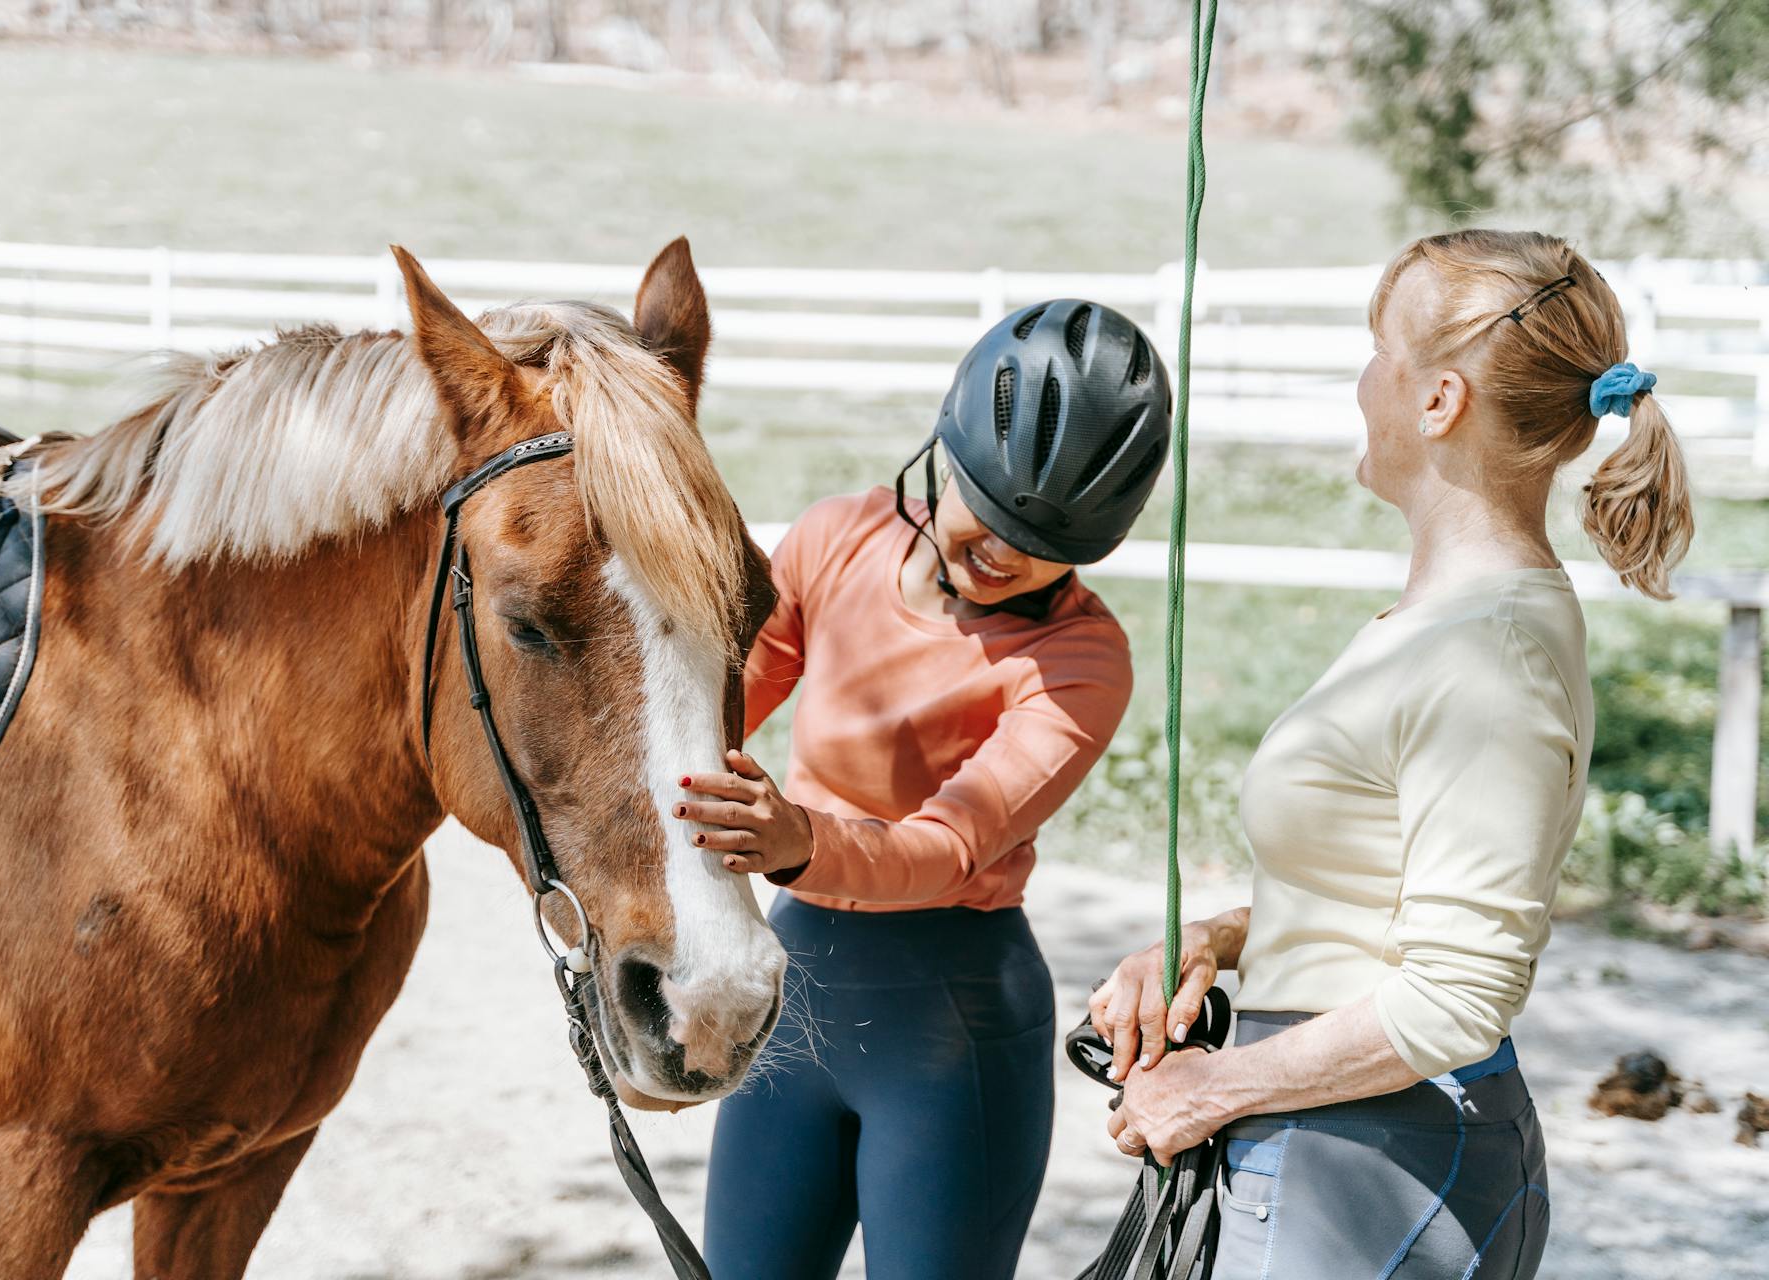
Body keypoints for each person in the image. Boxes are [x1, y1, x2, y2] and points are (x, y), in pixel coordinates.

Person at [1088, 229, 1695, 1279]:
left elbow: (1457, 994)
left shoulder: (1489, 652)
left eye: (1380, 349)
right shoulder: (1443, 622)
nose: (1361, 378)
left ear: (1439, 401)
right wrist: (1223, 937)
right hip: (1348, 1144)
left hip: (1372, 1168)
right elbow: (1395, 882)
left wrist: (1210, 1087)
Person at [679, 299, 1171, 1280]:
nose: (997, 549)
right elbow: (710, 709)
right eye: (983, 509)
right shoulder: (834, 539)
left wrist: (798, 837)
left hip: (953, 1028)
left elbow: (954, 843)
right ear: (945, 454)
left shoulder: (1080, 659)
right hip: (795, 992)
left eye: (1039, 540)